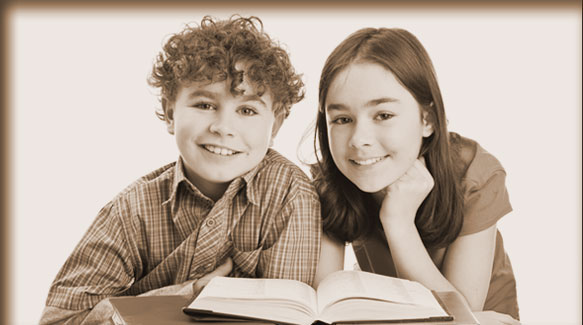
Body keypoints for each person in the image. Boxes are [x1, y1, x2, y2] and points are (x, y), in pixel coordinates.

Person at [40, 15, 321, 325]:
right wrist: (187, 294)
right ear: (171, 111)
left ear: (276, 125)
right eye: (204, 105)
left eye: (247, 110)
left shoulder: (290, 195)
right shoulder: (131, 211)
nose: (223, 127)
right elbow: (60, 320)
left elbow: (290, 316)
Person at [311, 27, 520, 324]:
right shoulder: (331, 182)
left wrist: (398, 221)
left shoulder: (476, 176)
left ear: (428, 120)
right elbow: (323, 302)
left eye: (383, 115)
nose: (359, 139)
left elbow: (459, 316)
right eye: (342, 119)